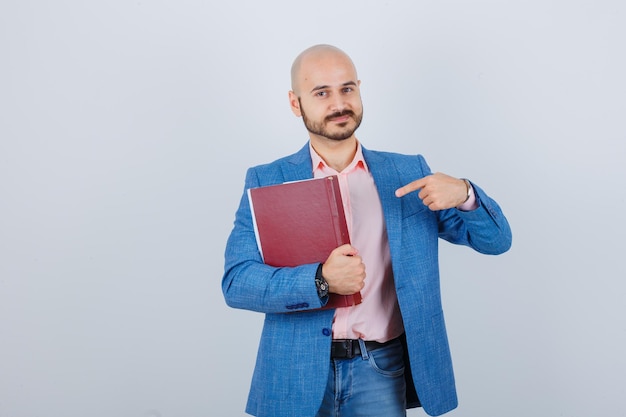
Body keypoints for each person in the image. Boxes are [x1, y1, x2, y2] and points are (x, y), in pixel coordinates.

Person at [222, 44, 512, 417]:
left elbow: (497, 241)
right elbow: (237, 282)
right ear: (296, 104)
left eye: (347, 89)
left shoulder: (407, 174)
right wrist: (320, 281)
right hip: (294, 371)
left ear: (359, 89)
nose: (338, 103)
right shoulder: (268, 180)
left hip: (381, 368)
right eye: (321, 93)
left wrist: (465, 194)